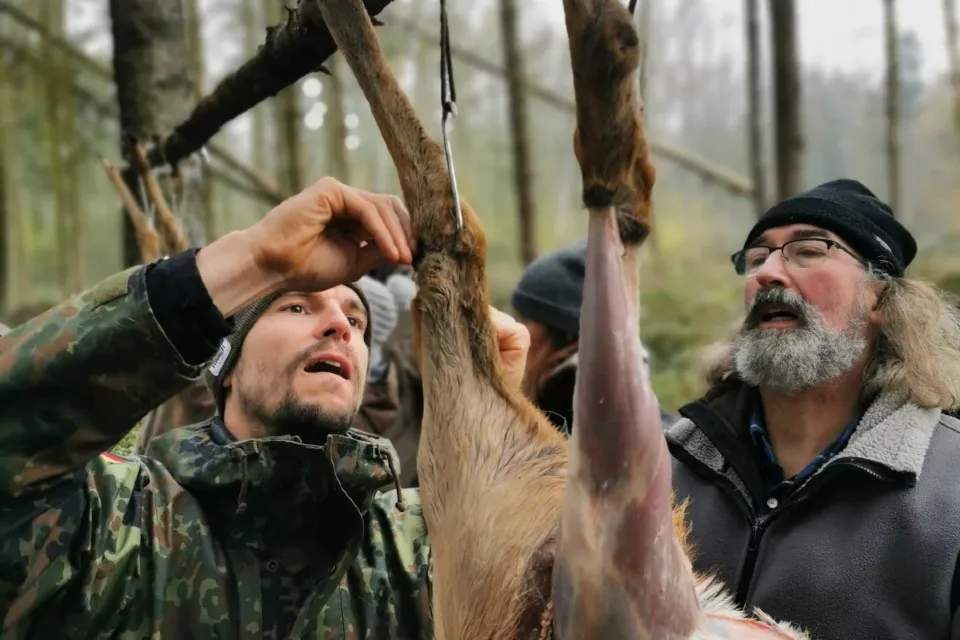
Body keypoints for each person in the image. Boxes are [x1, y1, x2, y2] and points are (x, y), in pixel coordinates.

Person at [0, 177, 531, 638]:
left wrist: (496, 431)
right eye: (297, 306)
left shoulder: (415, 550)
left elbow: (571, 591)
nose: (340, 327)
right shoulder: (119, 527)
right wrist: (255, 260)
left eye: (356, 319)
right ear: (224, 366)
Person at [667, 179, 960, 639]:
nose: (768, 273)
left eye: (807, 250)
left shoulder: (951, 488)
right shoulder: (670, 463)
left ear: (879, 297)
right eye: (757, 257)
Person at [512, 241, 670, 433]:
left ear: (565, 332)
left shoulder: (562, 415)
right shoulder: (636, 404)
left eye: (525, 319)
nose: (516, 328)